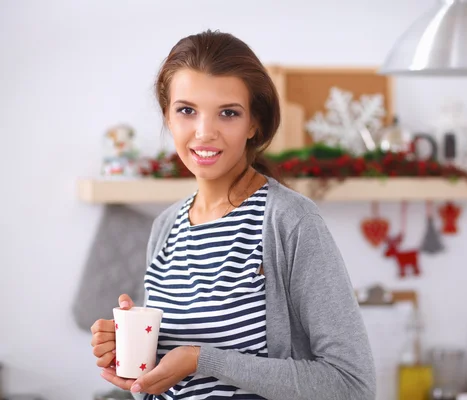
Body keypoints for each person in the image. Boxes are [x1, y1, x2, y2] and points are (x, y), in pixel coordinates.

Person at [90, 30, 375, 400]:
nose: (204, 133)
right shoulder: (165, 228)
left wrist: (203, 360)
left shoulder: (290, 222)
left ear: (253, 123)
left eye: (228, 113)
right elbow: (158, 387)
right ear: (168, 116)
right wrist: (131, 362)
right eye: (187, 110)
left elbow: (353, 385)